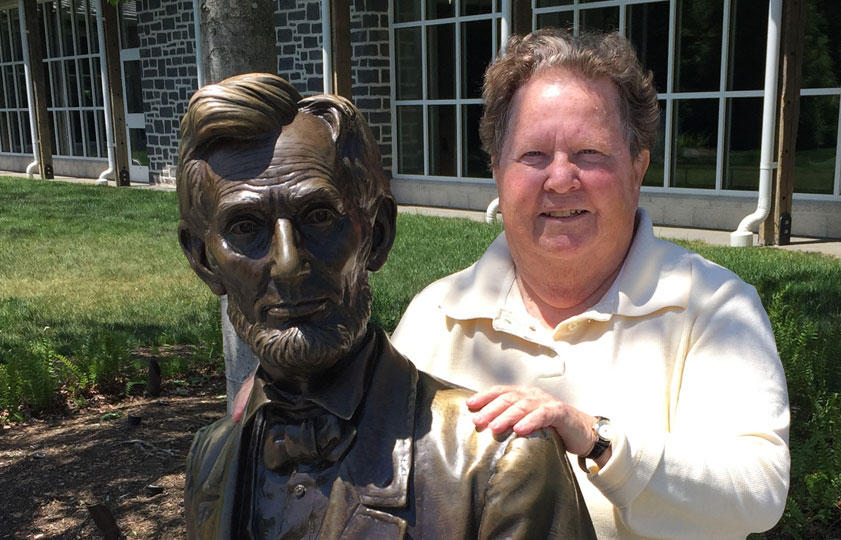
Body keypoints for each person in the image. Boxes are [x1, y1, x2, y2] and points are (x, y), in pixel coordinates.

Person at [390, 29, 790, 540]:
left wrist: (596, 440)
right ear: (497, 171)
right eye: (533, 154)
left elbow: (757, 491)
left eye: (590, 152)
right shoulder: (436, 314)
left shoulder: (712, 306)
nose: (560, 179)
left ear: (638, 167)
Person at [177, 72, 596, 539]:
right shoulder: (210, 460)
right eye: (244, 228)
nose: (288, 264)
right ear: (202, 260)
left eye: (319, 217)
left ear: (376, 234)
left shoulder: (498, 464)